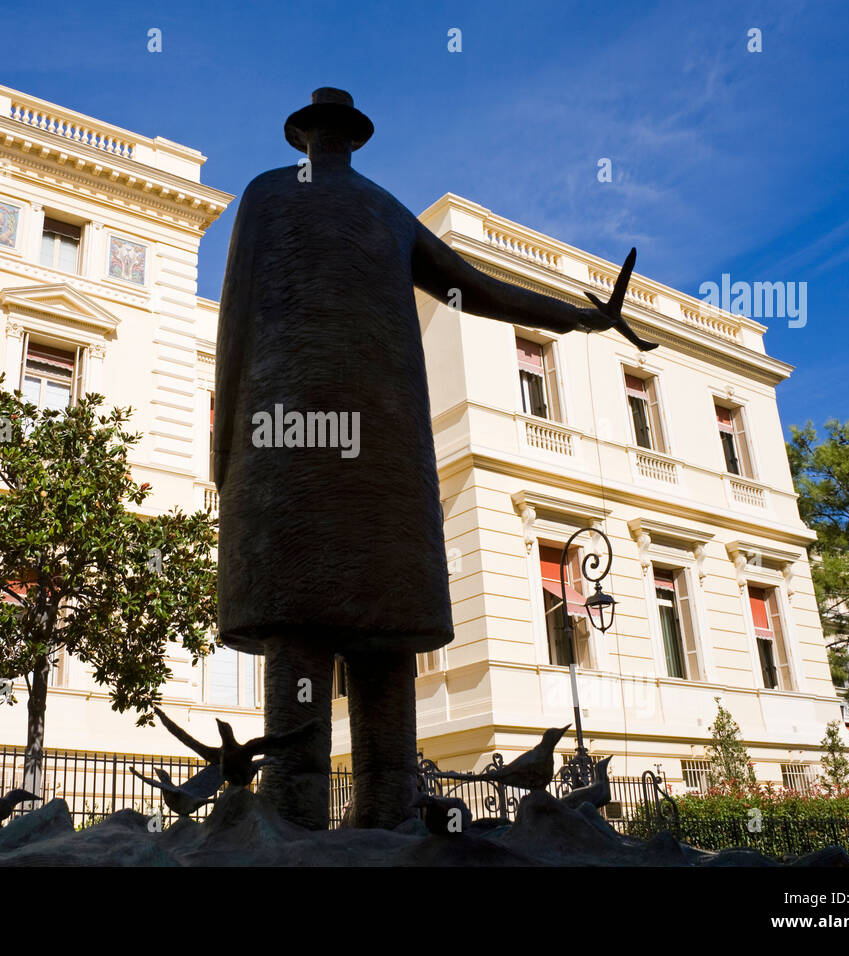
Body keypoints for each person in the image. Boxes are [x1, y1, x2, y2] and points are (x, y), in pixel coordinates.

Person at [213, 88, 651, 830]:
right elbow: (475, 290)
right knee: (379, 641)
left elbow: (235, 326)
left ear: (306, 137)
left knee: (306, 643)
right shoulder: (383, 209)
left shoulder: (271, 195)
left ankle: (291, 828)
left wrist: (223, 457)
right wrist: (577, 317)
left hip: (293, 446)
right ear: (350, 140)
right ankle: (384, 819)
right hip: (378, 453)